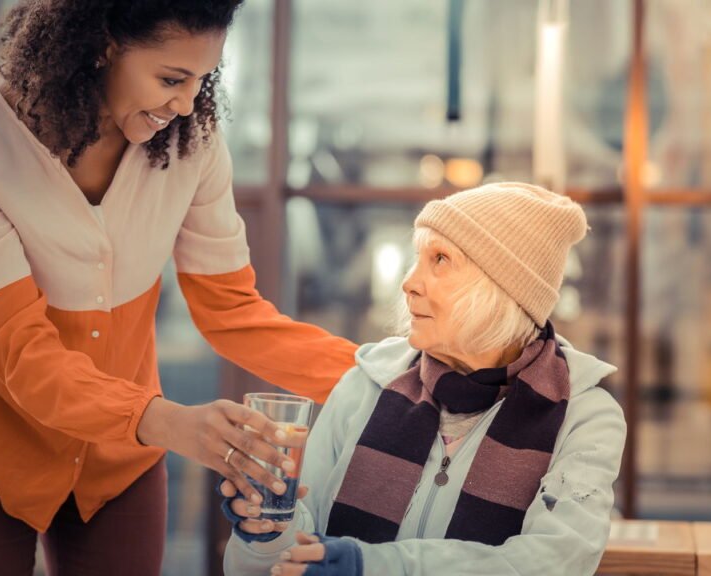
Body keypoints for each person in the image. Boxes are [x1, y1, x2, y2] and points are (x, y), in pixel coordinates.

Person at [0, 1, 356, 574]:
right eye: (171, 78)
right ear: (100, 48)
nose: (188, 104)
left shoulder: (193, 140)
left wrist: (389, 382)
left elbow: (232, 312)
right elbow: (22, 351)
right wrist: (172, 423)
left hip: (120, 457)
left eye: (202, 80)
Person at [221, 182, 628, 576]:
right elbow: (289, 557)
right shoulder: (367, 383)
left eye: (440, 260)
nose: (409, 283)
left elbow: (552, 564)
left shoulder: (584, 415)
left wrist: (372, 567)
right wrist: (267, 532)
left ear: (502, 291)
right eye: (417, 258)